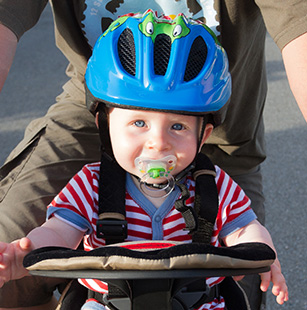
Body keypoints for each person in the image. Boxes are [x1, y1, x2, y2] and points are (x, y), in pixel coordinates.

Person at [0, 1, 305, 310]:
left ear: (204, 137)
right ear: (104, 126)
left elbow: (242, 228)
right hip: (109, 302)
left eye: (177, 126)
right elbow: (60, 231)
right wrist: (25, 255)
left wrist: (263, 252)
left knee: (242, 291)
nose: (158, 143)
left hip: (197, 300)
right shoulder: (91, 183)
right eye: (139, 124)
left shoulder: (214, 185)